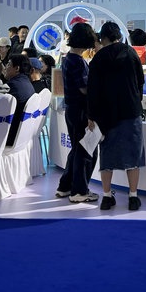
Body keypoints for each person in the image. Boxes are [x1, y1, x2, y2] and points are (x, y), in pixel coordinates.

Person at [87, 21, 145, 211]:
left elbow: (93, 90)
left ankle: (106, 196)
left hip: (106, 115)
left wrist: (91, 115)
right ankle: (133, 196)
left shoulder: (98, 58)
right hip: (131, 111)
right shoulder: (131, 53)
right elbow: (140, 80)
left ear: (103, 38)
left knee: (107, 156)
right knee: (133, 155)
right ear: (119, 36)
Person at [55, 22, 99, 204]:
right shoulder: (78, 61)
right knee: (86, 151)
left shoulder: (68, 59)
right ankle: (79, 191)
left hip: (72, 110)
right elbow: (84, 89)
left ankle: (65, 186)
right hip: (81, 112)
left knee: (76, 150)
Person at [4, 54, 37, 147]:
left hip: (10, 136)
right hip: (23, 135)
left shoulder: (12, 85)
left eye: (8, 64)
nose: (5, 68)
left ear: (17, 68)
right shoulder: (28, 83)